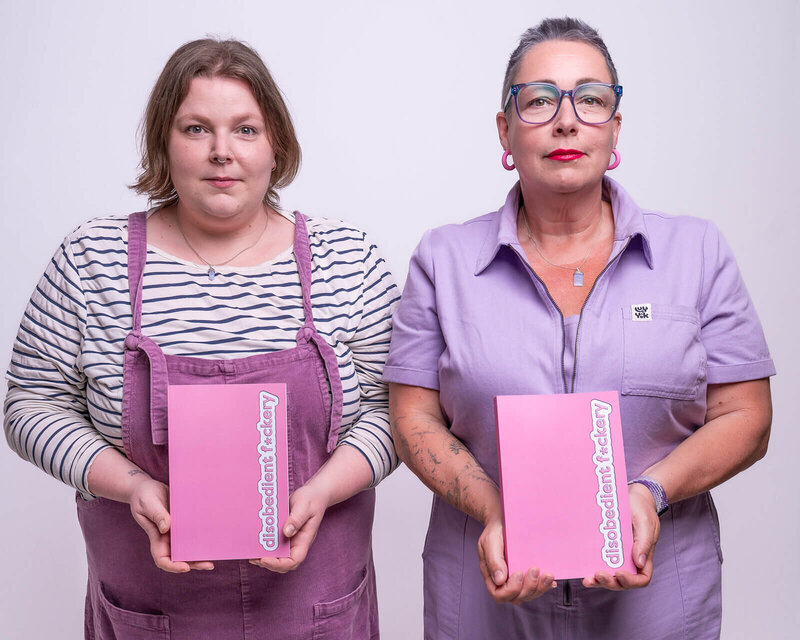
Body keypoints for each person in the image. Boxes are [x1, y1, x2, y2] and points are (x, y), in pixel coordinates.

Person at [384, 17, 774, 640]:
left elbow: (748, 418)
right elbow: (412, 419)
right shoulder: (443, 260)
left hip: (658, 603)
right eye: (539, 100)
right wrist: (494, 510)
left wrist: (649, 493)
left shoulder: (696, 252)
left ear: (615, 126)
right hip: (488, 598)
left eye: (590, 99)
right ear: (504, 130)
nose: (566, 120)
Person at [4, 38, 398, 639]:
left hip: (316, 607)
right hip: (151, 609)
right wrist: (130, 484)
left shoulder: (346, 258)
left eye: (245, 129)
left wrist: (322, 490)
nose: (221, 153)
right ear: (164, 140)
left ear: (276, 145)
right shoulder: (93, 259)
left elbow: (396, 411)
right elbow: (30, 404)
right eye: (195, 129)